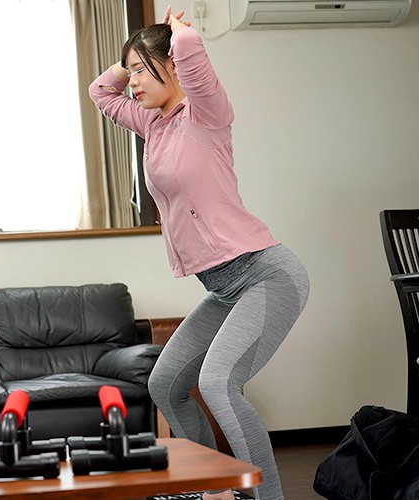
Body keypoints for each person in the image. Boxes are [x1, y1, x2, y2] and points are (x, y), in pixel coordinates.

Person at [89, 7, 309, 500]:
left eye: (143, 70)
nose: (133, 81)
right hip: (224, 289)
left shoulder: (206, 114)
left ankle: (267, 497)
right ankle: (218, 490)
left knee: (218, 384)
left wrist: (178, 34)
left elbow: (189, 52)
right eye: (131, 71)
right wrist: (131, 59)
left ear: (172, 64)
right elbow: (100, 92)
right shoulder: (153, 125)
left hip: (266, 276)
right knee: (166, 384)